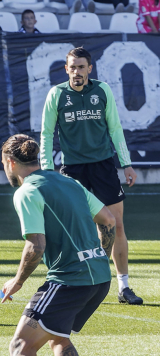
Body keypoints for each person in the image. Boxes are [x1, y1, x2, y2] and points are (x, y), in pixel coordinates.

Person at [0, 134, 116, 356]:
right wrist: (97, 259)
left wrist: (17, 282)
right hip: (99, 278)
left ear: (10, 163)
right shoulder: (69, 182)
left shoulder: (28, 191)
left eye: (3, 164)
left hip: (69, 280)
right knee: (58, 336)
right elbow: (108, 221)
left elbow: (35, 245)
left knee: (21, 345)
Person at [39, 46, 142, 304]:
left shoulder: (102, 90)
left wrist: (126, 163)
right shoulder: (56, 94)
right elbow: (46, 134)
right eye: (72, 67)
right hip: (73, 170)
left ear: (90, 69)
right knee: (72, 228)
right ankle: (71, 282)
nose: (77, 72)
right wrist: (47, 170)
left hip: (104, 167)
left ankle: (124, 287)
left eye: (81, 67)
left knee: (116, 225)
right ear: (66, 70)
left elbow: (115, 129)